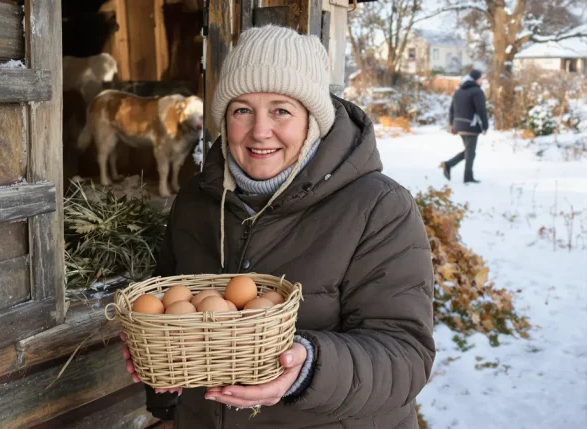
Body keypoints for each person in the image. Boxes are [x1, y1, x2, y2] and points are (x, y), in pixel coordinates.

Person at [120, 25, 435, 429]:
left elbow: (406, 356)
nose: (259, 131)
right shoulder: (196, 201)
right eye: (242, 110)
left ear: (313, 120)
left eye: (281, 110)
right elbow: (170, 307)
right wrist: (166, 386)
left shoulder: (378, 207)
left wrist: (307, 368)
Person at [442, 69, 489, 184]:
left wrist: (452, 124)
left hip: (459, 125)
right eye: (480, 78)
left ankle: (449, 165)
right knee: (470, 152)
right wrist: (485, 126)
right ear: (476, 79)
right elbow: (481, 110)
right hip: (471, 126)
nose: (481, 81)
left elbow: (451, 109)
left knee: (469, 151)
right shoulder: (477, 92)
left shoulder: (458, 91)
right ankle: (466, 176)